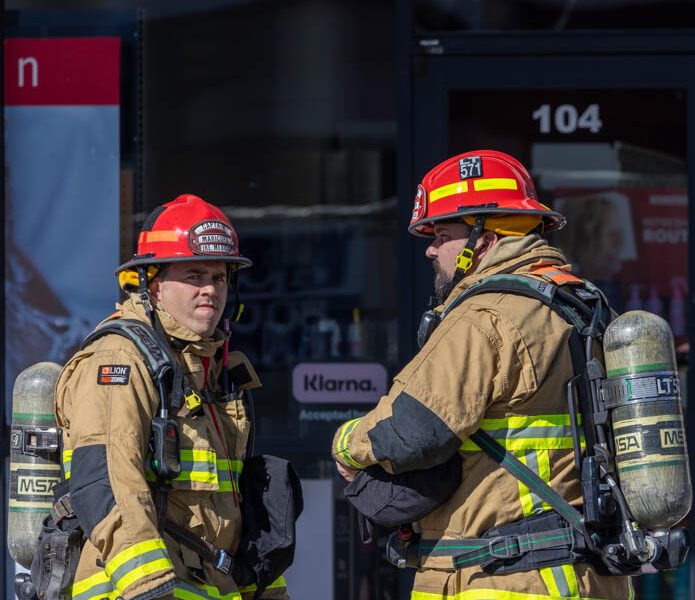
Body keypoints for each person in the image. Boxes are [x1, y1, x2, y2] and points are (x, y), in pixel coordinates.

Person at [332, 150, 632, 598]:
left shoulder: (485, 317)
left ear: (486, 236)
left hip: (505, 577)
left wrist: (346, 444)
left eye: (443, 233)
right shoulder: (586, 308)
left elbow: (411, 433)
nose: (431, 249)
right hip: (587, 576)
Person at [54, 194, 288, 600]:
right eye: (194, 275)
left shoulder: (212, 370)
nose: (210, 291)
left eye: (219, 278)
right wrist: (148, 589)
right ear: (154, 283)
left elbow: (231, 511)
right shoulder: (119, 360)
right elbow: (108, 484)